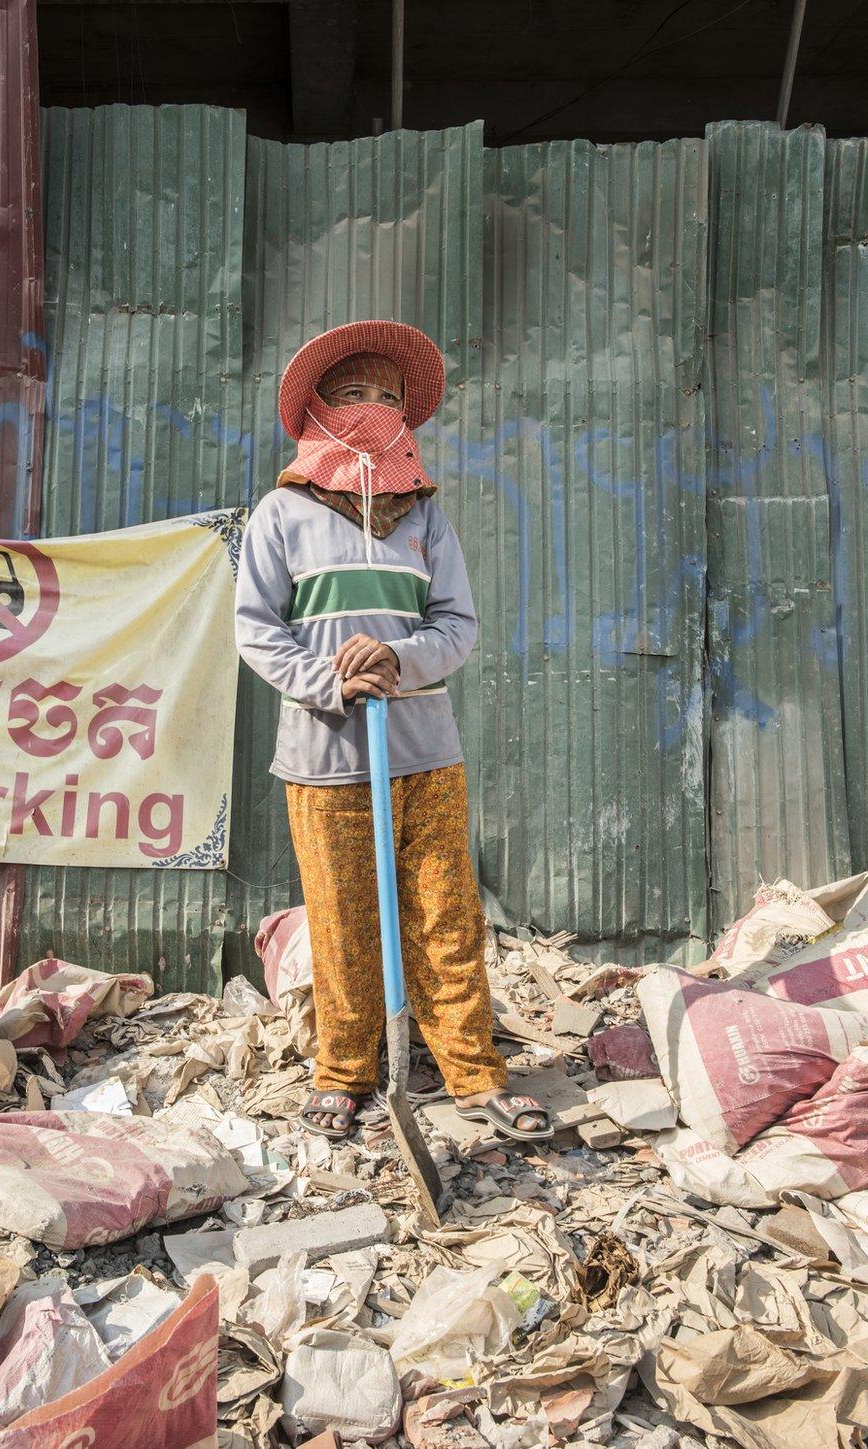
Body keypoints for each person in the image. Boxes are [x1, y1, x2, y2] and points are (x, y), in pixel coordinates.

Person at [234, 320, 551, 1142]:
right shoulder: (282, 514)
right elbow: (257, 631)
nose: (374, 410)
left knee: (447, 914)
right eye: (355, 396)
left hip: (425, 750)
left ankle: (473, 1073)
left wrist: (398, 662)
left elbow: (458, 624)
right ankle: (346, 1071)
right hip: (324, 756)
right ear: (320, 413)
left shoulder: (424, 519)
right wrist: (333, 677)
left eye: (389, 398)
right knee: (342, 917)